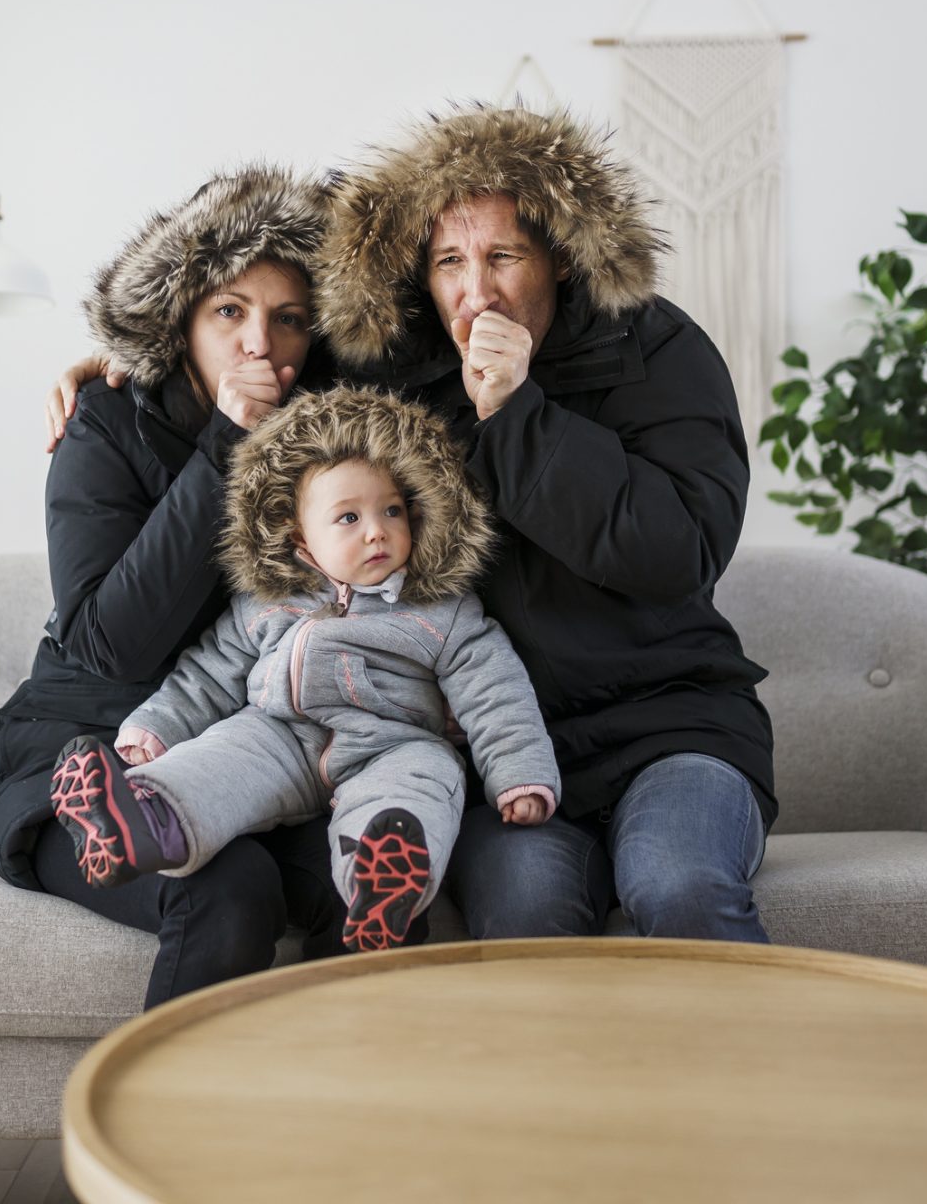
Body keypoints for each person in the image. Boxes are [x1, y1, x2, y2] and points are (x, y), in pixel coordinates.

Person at [49, 106, 776, 945]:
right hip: (504, 753)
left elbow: (682, 551)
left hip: (673, 728)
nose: (479, 292)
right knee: (524, 913)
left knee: (679, 884)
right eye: (449, 263)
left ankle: (751, 1040)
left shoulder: (659, 348)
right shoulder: (402, 370)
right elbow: (258, 331)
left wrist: (519, 415)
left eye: (505, 256)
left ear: (560, 252)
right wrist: (130, 367)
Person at [0, 165, 389, 1012]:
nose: (259, 344)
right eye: (229, 312)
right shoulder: (105, 421)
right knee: (226, 891)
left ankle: (341, 1092)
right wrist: (225, 447)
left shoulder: (334, 439)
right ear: (184, 317)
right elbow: (112, 644)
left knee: (370, 881)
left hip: (245, 762)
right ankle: (164, 1105)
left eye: (289, 319)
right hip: (86, 750)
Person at [48, 387, 560, 951]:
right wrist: (155, 728)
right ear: (301, 538)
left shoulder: (444, 611)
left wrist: (519, 774)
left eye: (392, 510)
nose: (376, 530)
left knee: (422, 785)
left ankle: (381, 881)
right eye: (349, 517)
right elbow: (209, 674)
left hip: (394, 744)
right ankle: (145, 822)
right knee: (220, 759)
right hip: (279, 734)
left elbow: (496, 693)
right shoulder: (267, 600)